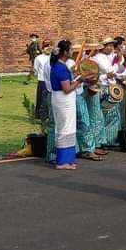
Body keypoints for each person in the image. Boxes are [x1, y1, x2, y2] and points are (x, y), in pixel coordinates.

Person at [49, 40, 81, 169]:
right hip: (63, 100)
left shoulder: (58, 65)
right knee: (65, 128)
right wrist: (80, 81)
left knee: (67, 127)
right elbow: (67, 88)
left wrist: (75, 77)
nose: (72, 51)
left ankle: (67, 159)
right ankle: (62, 161)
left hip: (61, 99)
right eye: (71, 49)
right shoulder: (60, 67)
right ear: (65, 52)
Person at [32, 39, 52, 121]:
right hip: (42, 80)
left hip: (51, 81)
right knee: (41, 98)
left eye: (49, 46)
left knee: (49, 99)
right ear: (43, 48)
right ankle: (39, 115)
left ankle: (48, 115)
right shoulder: (38, 58)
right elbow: (36, 69)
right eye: (46, 46)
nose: (47, 48)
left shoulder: (53, 57)